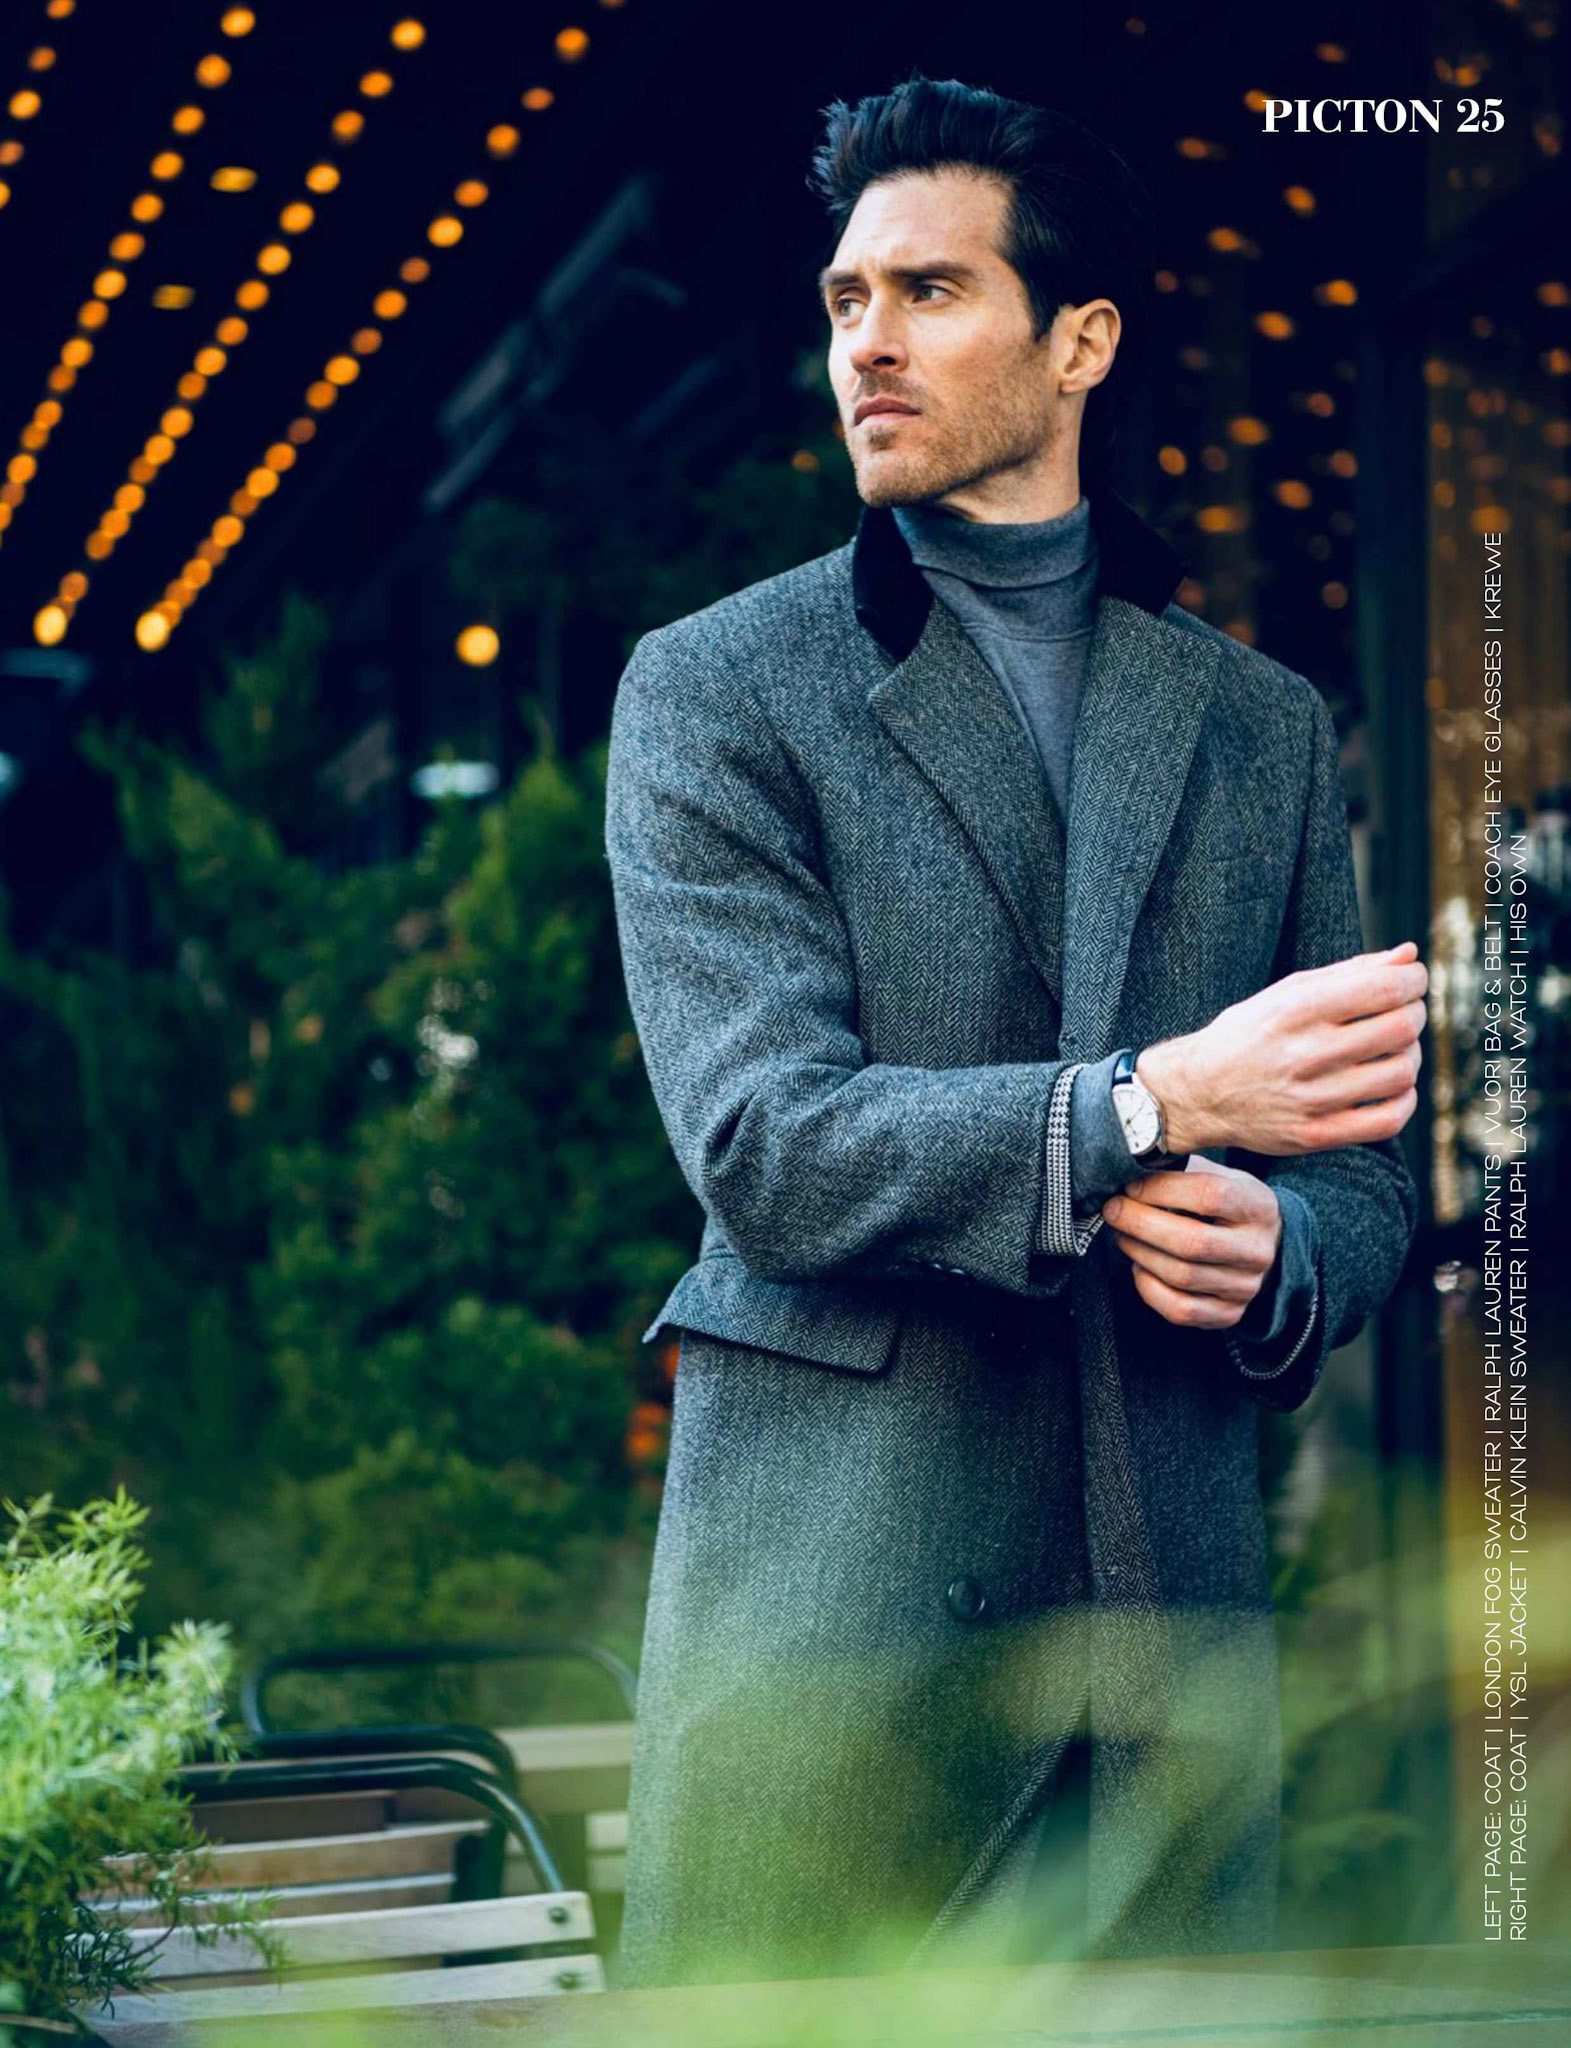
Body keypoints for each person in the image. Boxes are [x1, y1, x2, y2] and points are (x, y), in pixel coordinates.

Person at [603, 74, 1423, 1989]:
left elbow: (1367, 1172)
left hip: (1163, 1632)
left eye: (930, 290)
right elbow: (769, 1151)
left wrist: (1283, 1253)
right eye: (845, 298)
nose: (867, 342)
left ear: (1082, 345)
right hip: (840, 1627)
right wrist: (1153, 1103)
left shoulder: (1260, 725)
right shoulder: (716, 689)